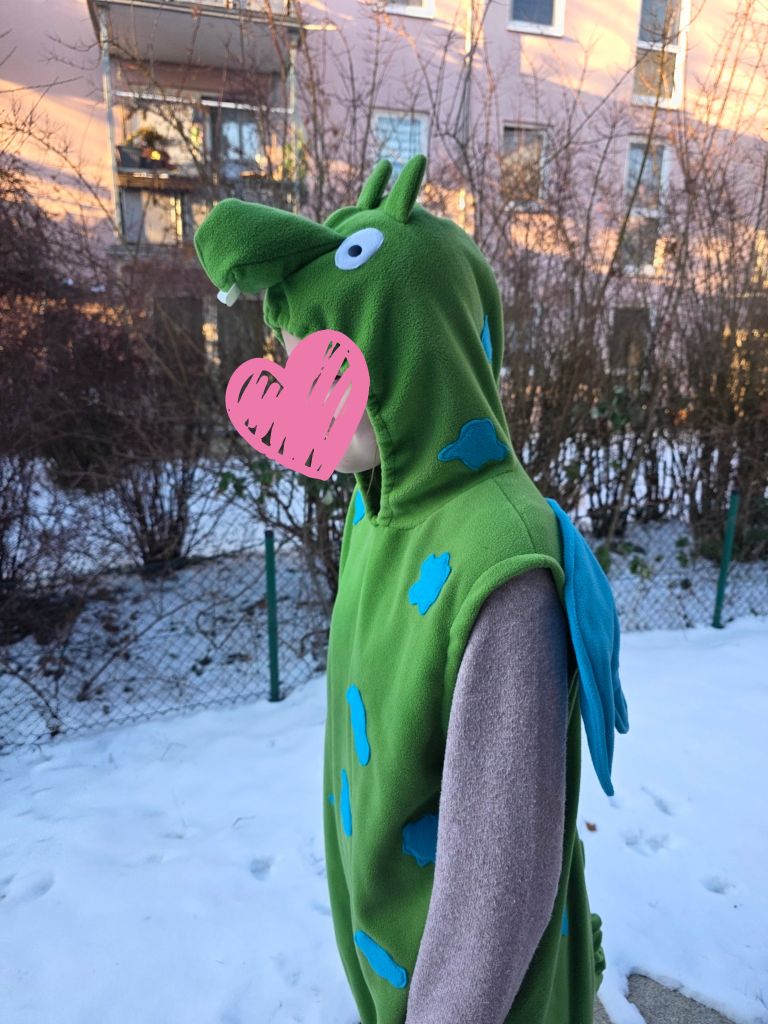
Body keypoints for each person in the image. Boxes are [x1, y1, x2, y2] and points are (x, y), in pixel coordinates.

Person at [193, 153, 628, 1024]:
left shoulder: (501, 568)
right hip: (393, 954)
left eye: (327, 365)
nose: (304, 396)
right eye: (291, 361)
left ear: (411, 353)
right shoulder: (375, 507)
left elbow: (499, 885)